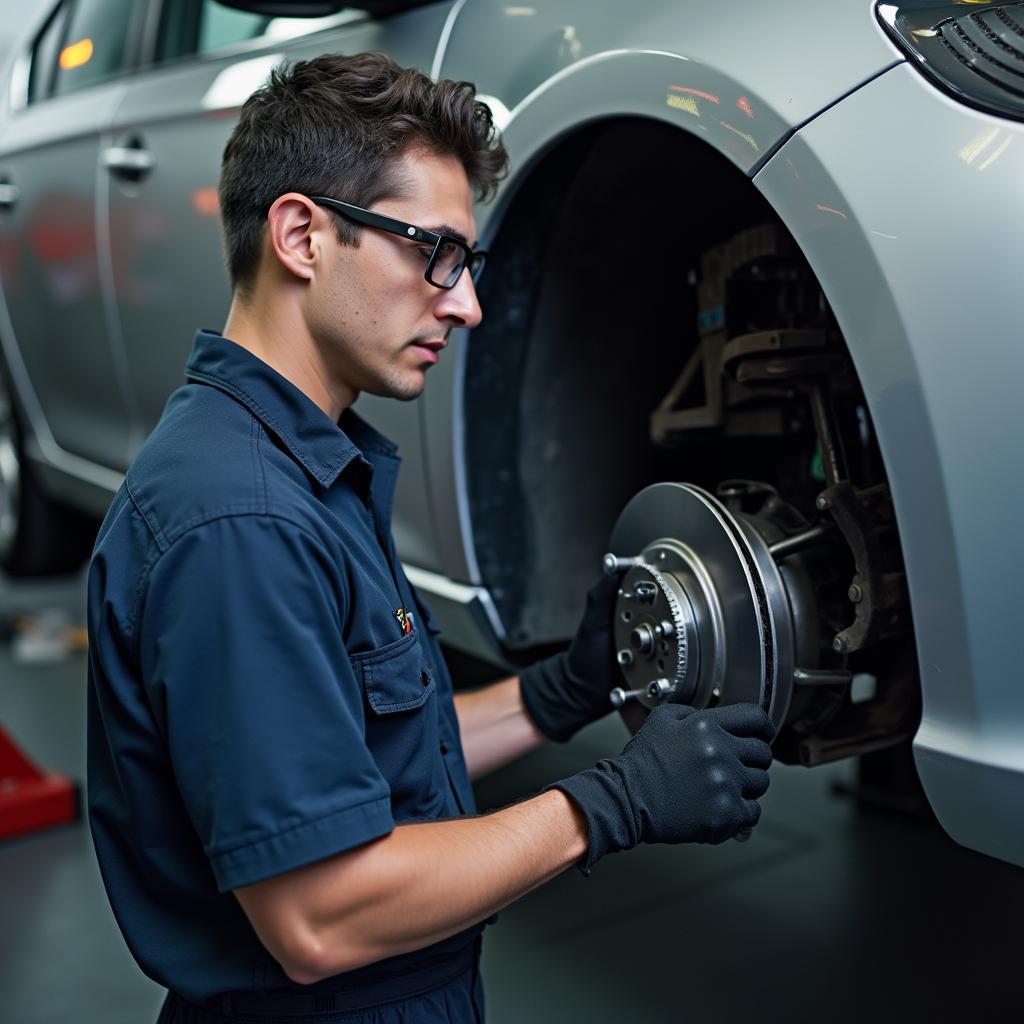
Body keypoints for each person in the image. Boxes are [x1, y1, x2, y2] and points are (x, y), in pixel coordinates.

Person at [86, 52, 774, 1024]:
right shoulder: (240, 522)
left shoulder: (295, 468)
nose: (467, 302)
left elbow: (353, 764)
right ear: (301, 235)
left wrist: (557, 695)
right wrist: (607, 804)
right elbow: (319, 913)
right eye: (434, 253)